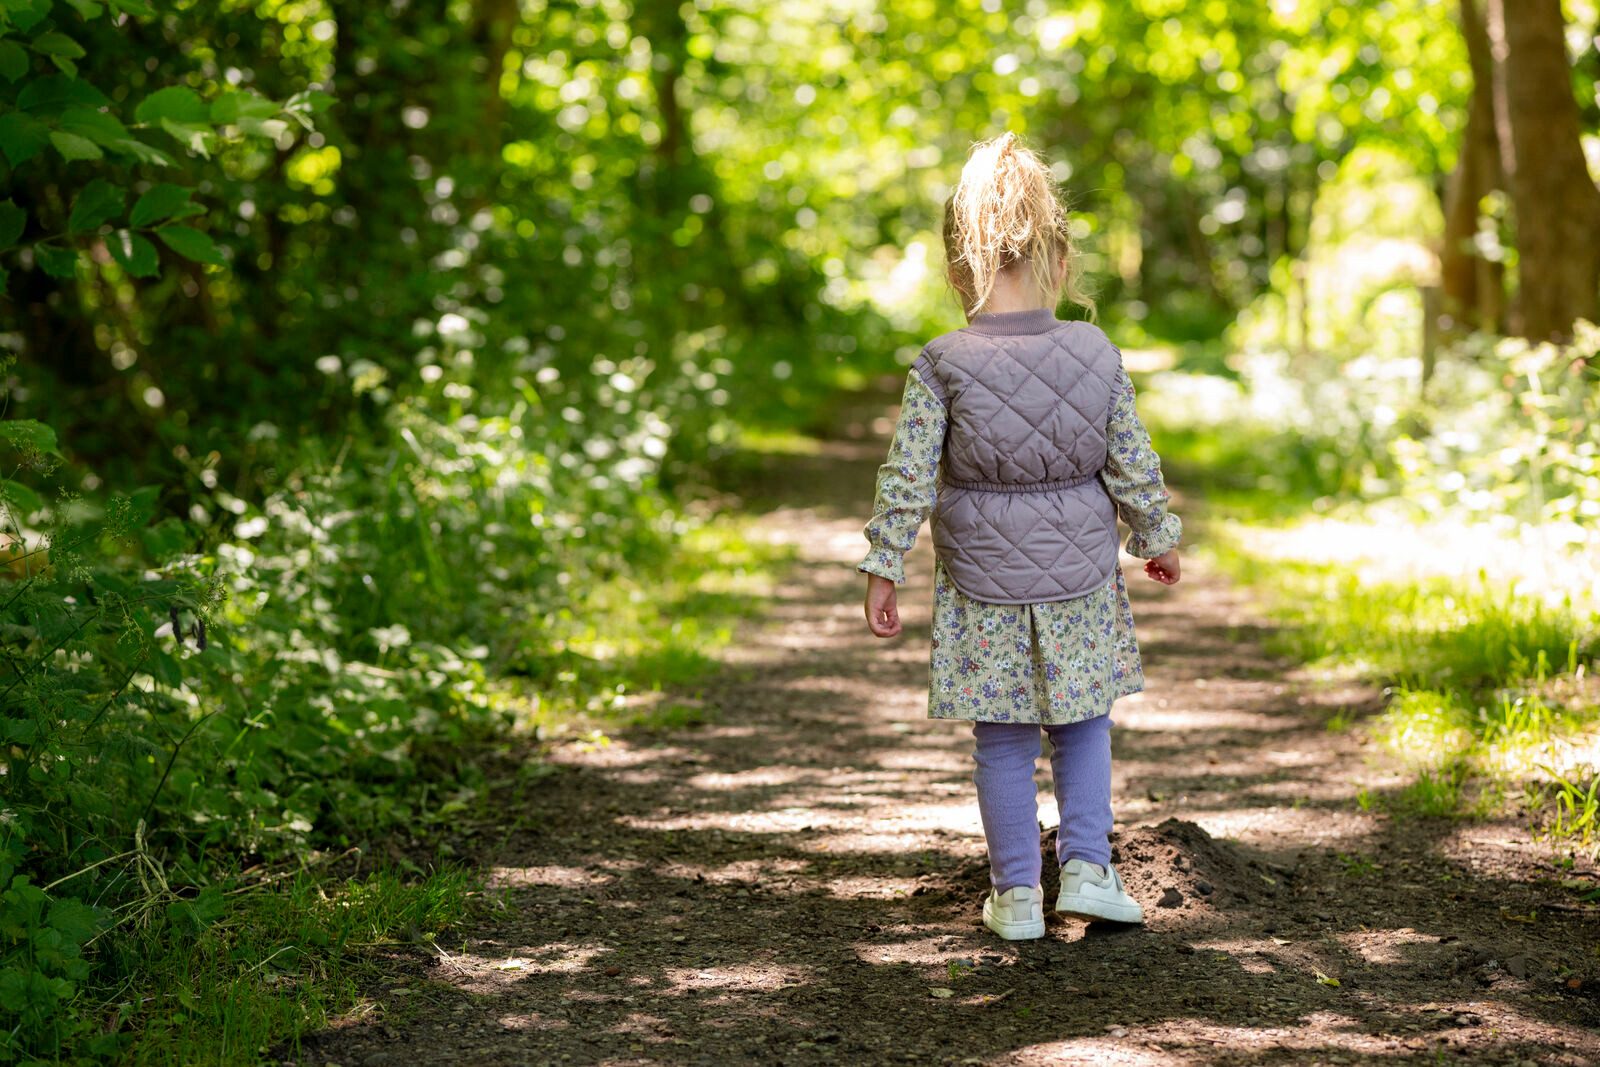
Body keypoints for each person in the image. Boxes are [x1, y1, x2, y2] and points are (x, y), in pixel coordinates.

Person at [855, 132, 1182, 941]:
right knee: (1083, 722)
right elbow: (1132, 461)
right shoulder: (1094, 352)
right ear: (1060, 261)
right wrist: (1157, 537)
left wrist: (883, 564)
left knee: (1000, 737)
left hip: (981, 579)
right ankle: (1088, 868)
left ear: (957, 270)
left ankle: (1017, 895)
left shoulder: (943, 362)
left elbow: (908, 475)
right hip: (1077, 570)